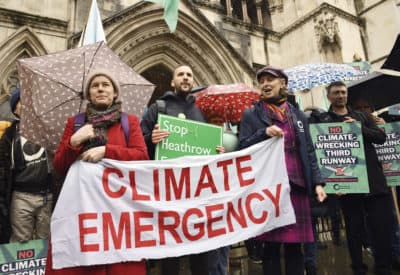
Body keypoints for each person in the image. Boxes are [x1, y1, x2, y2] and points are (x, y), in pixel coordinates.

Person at [45, 68, 149, 275]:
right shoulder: (75, 123)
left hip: (118, 210)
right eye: (95, 86)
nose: (100, 89)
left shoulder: (130, 123)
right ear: (89, 94)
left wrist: (106, 151)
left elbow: (141, 157)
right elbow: (58, 166)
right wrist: (75, 141)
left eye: (105, 85)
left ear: (115, 92)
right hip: (83, 209)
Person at [239, 66, 327, 275]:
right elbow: (242, 147)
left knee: (295, 247)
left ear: (283, 84)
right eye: (262, 81)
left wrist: (317, 183)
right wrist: (263, 133)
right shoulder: (251, 115)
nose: (265, 84)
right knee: (270, 248)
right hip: (270, 190)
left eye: (271, 79)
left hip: (296, 188)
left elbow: (308, 150)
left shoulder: (297, 115)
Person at [140, 65, 223, 275]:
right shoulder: (157, 108)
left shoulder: (201, 111)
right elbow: (139, 144)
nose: (185, 78)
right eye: (181, 75)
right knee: (170, 252)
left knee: (201, 251)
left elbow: (207, 146)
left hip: (196, 192)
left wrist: (217, 150)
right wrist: (151, 138)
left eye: (189, 75)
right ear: (172, 82)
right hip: (168, 191)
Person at [311, 81, 393, 275]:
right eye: (336, 93)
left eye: (343, 92)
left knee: (380, 228)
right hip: (348, 185)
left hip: (373, 182)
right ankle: (358, 268)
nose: (341, 95)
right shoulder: (323, 121)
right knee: (354, 230)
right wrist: (332, 183)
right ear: (328, 96)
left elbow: (381, 137)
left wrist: (358, 128)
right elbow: (322, 152)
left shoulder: (361, 116)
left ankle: (384, 267)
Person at [352, 97, 400, 271]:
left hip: (390, 179)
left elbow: (389, 140)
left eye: (367, 107)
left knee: (392, 221)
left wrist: (385, 124)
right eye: (360, 107)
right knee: (377, 225)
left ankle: (395, 254)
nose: (365, 110)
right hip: (374, 181)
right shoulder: (356, 123)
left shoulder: (379, 122)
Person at [0, 88, 53, 244]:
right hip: (21, 196)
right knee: (20, 240)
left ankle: (45, 268)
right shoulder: (9, 135)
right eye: (22, 102)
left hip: (46, 195)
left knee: (46, 239)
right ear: (15, 109)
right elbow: (3, 166)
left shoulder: (47, 129)